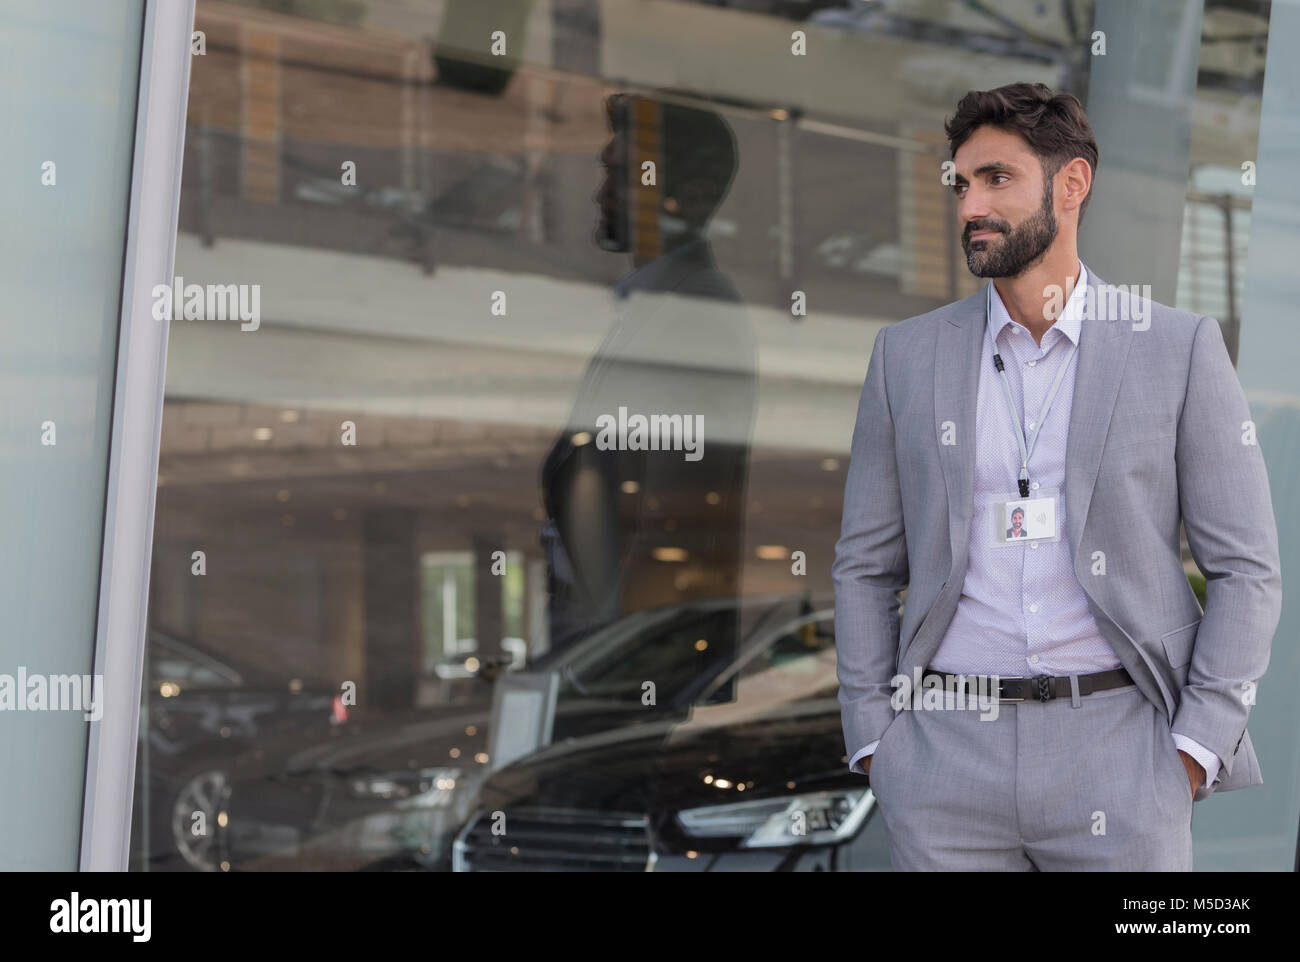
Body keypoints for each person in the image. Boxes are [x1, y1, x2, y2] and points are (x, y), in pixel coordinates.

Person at [832, 83, 1281, 870]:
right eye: (962, 183)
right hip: (943, 757)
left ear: (1071, 185)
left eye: (997, 179)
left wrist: (1193, 749)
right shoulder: (905, 357)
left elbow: (1245, 568)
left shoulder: (1176, 349)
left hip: (1120, 754)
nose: (971, 203)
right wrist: (876, 740)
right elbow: (865, 566)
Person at [539, 94, 757, 661]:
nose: (600, 193)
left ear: (675, 196)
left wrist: (619, 670)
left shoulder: (693, 317)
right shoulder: (652, 308)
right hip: (607, 657)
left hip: (624, 668)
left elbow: (671, 526)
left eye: (616, 175)